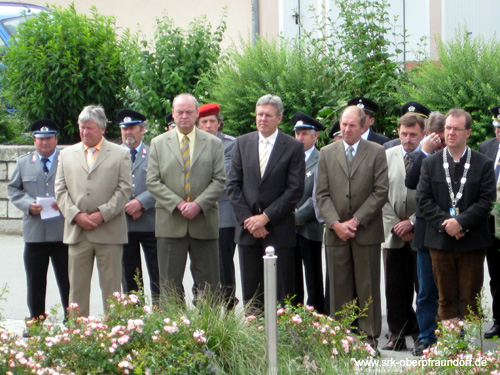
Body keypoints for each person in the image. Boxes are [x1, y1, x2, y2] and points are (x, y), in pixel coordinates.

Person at [316, 105, 388, 353]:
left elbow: (381, 191)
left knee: (368, 285)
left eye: (352, 125)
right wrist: (336, 224)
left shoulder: (377, 151)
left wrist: (355, 221)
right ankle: (342, 338)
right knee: (339, 286)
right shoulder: (326, 152)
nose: (346, 129)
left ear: (364, 126)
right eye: (343, 124)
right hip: (335, 232)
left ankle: (369, 339)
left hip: (365, 231)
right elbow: (321, 194)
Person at [416, 109, 495, 329]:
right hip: (440, 241)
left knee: (470, 299)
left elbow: (487, 200)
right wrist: (447, 224)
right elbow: (423, 199)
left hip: (473, 242)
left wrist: (461, 222)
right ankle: (450, 352)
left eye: (456, 129)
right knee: (446, 299)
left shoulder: (483, 163)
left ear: (468, 132)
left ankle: (470, 352)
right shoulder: (430, 164)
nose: (450, 133)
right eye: (447, 128)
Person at [227, 94, 305, 311]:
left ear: (279, 118)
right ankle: (254, 338)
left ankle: (285, 338)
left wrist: (266, 218)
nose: (262, 119)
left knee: (282, 294)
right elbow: (232, 186)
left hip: (278, 231)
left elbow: (295, 190)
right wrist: (250, 221)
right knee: (252, 295)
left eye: (268, 115)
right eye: (259, 114)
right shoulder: (242, 143)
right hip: (248, 232)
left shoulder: (292, 147)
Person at [146, 93, 225, 301]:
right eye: (179, 112)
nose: (184, 116)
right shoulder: (158, 143)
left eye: (189, 112)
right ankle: (173, 330)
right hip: (170, 223)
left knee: (209, 286)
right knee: (169, 287)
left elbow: (219, 180)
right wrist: (179, 204)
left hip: (204, 222)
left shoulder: (213, 143)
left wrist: (198, 205)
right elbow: (153, 181)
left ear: (197, 114)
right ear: (173, 113)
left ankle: (208, 329)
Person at [55, 105, 132, 317]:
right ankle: (78, 336)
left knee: (112, 290)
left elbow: (124, 189)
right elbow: (60, 190)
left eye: (90, 128)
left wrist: (102, 214)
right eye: (82, 127)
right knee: (77, 291)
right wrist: (75, 215)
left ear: (103, 129)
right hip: (78, 232)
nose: (85, 132)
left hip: (109, 231)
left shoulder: (120, 154)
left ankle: (115, 334)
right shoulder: (67, 154)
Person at [7, 119, 69, 335]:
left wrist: (64, 202)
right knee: (35, 281)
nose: (45, 143)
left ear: (56, 139)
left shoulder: (67, 160)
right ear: (34, 141)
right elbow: (14, 189)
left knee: (67, 279)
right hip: (35, 232)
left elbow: (78, 187)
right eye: (40, 139)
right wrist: (27, 205)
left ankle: (71, 320)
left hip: (62, 231)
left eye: (49, 138)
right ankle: (35, 321)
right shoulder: (24, 163)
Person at [381, 113, 426, 351]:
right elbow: (380, 194)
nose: (408, 139)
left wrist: (412, 222)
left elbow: (431, 198)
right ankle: (396, 336)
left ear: (423, 134)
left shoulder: (430, 158)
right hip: (392, 233)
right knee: (394, 288)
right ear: (398, 131)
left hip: (421, 232)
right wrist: (397, 224)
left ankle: (421, 335)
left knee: (423, 288)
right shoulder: (386, 156)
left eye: (413, 134)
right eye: (404, 133)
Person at [405, 111, 445, 356]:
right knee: (426, 290)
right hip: (425, 230)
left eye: (441, 136)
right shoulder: (423, 154)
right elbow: (411, 181)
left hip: (452, 230)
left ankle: (452, 335)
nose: (440, 141)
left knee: (451, 289)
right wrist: (424, 150)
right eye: (434, 137)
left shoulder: (463, 156)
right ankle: (426, 336)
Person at [196, 102, 238, 308]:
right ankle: (203, 304)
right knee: (201, 263)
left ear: (219, 124)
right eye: (204, 121)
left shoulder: (230, 144)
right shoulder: (192, 143)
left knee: (224, 264)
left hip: (223, 214)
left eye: (212, 121)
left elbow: (224, 178)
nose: (208, 125)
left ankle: (229, 304)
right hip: (198, 214)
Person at [117, 109, 160, 302]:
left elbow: (163, 183)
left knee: (158, 274)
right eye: (124, 129)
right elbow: (107, 186)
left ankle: (162, 315)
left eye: (132, 128)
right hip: (123, 224)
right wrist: (127, 205)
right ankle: (134, 319)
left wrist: (141, 203)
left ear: (142, 130)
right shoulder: (113, 156)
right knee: (129, 277)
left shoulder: (154, 154)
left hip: (151, 222)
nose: (128, 132)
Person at [292, 112, 325, 313]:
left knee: (313, 274)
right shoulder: (289, 157)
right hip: (289, 227)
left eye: (305, 134)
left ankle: (317, 315)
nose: (300, 138)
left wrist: (298, 217)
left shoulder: (321, 159)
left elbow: (319, 195)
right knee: (292, 274)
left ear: (316, 136)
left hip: (310, 226)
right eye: (298, 134)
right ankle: (294, 315)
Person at [477, 106, 500, 339]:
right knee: (495, 274)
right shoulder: (486, 148)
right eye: (497, 127)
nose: (499, 132)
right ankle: (498, 321)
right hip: (492, 223)